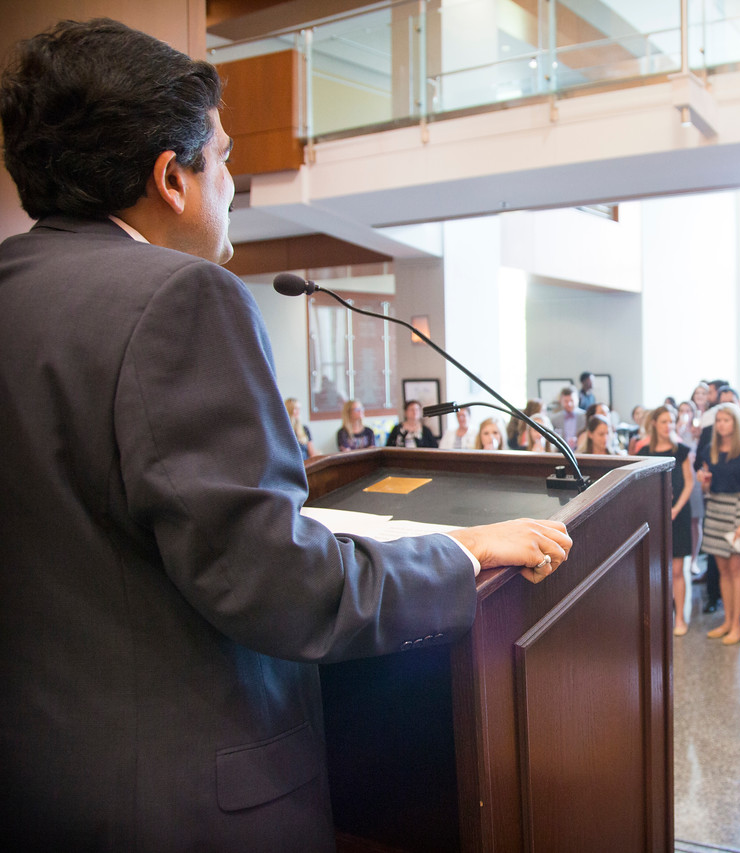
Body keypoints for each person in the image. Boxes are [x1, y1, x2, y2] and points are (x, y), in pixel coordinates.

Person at [0, 19, 572, 849]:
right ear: (172, 177)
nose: (236, 183)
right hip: (186, 802)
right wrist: (462, 550)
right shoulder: (181, 298)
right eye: (225, 159)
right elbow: (274, 583)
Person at [695, 403, 740, 646]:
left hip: (737, 510)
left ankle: (737, 625)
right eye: (719, 420)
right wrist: (703, 481)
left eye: (727, 420)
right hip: (715, 508)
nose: (722, 424)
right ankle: (726, 621)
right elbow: (705, 488)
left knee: (736, 570)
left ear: (736, 423)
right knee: (722, 570)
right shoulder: (709, 450)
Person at [638, 406, 695, 636]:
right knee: (656, 569)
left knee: (678, 569)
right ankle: (660, 617)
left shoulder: (681, 450)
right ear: (654, 424)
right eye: (663, 421)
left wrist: (675, 508)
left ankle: (680, 617)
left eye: (671, 421)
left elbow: (690, 483)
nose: (668, 425)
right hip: (654, 515)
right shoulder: (644, 450)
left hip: (677, 515)